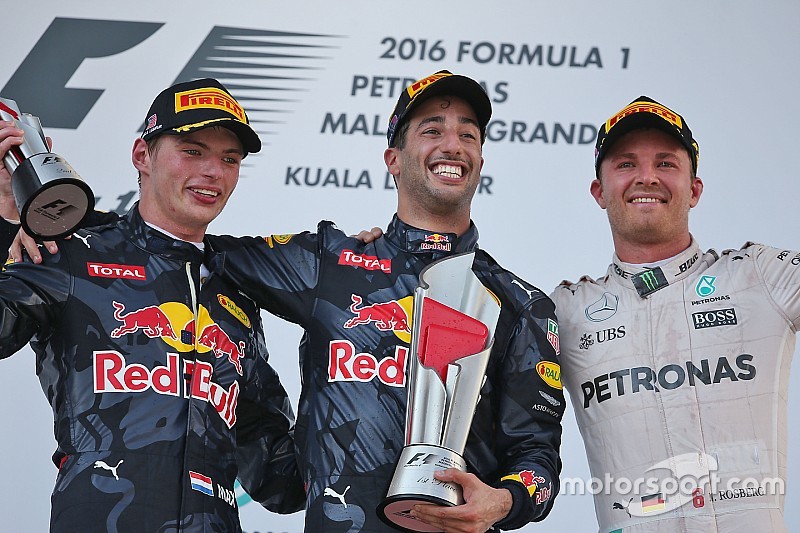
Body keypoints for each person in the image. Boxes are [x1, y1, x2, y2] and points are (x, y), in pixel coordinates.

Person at [206, 70, 564, 532]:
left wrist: (506, 500)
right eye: (432, 130)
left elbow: (537, 457)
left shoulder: (519, 303)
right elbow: (188, 249)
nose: (452, 144)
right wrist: (86, 222)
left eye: (468, 135)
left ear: (479, 157)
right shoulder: (329, 264)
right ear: (393, 159)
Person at [0, 78, 303, 531]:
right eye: (193, 151)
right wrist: (5, 214)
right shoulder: (74, 252)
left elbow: (282, 482)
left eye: (230, 159)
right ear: (142, 156)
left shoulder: (234, 294)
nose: (213, 172)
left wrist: (349, 386)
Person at [551, 96, 799, 532]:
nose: (647, 176)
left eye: (666, 163)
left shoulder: (760, 275)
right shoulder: (564, 310)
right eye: (626, 164)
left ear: (695, 189)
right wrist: (388, 264)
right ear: (599, 192)